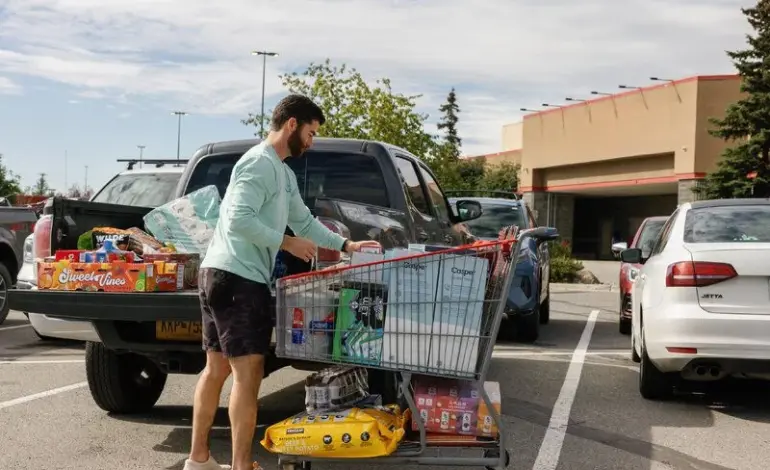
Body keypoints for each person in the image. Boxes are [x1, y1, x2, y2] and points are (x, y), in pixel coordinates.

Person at [183, 94, 382, 470]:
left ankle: (199, 460)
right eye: (311, 132)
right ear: (292, 124)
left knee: (217, 369)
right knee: (248, 372)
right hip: (237, 278)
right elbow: (239, 218)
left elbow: (305, 222)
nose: (312, 141)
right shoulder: (259, 163)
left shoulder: (283, 173)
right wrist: (285, 241)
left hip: (219, 274)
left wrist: (346, 244)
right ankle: (242, 465)